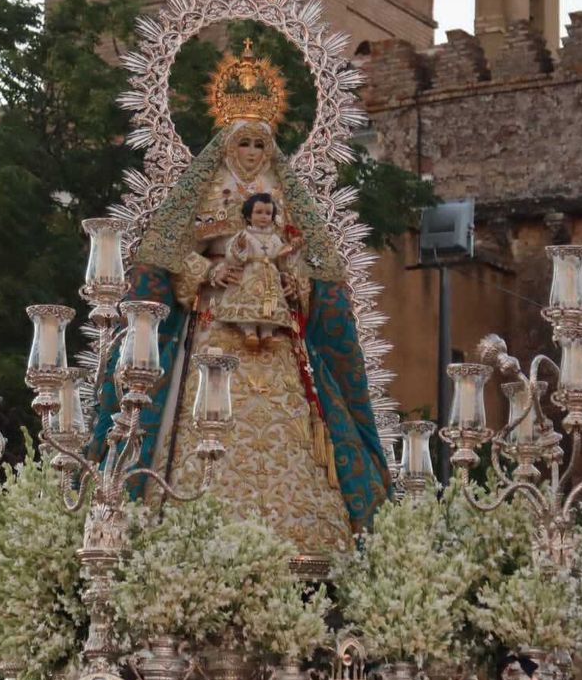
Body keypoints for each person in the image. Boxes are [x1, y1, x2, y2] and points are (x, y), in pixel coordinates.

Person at [91, 43, 390, 558]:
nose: (252, 152)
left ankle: (307, 539)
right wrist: (210, 270)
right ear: (227, 145)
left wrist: (296, 283)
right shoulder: (204, 192)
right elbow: (171, 256)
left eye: (259, 144)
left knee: (294, 425)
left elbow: (304, 260)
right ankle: (183, 534)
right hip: (214, 325)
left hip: (278, 337)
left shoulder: (284, 197)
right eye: (244, 143)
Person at [213, 192, 302, 351]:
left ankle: (267, 334)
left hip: (271, 276)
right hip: (250, 274)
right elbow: (232, 257)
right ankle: (250, 332)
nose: (264, 216)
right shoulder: (244, 235)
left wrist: (288, 252)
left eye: (268, 213)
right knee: (249, 302)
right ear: (248, 215)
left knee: (270, 304)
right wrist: (240, 248)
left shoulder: (275, 238)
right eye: (259, 212)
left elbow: (281, 260)